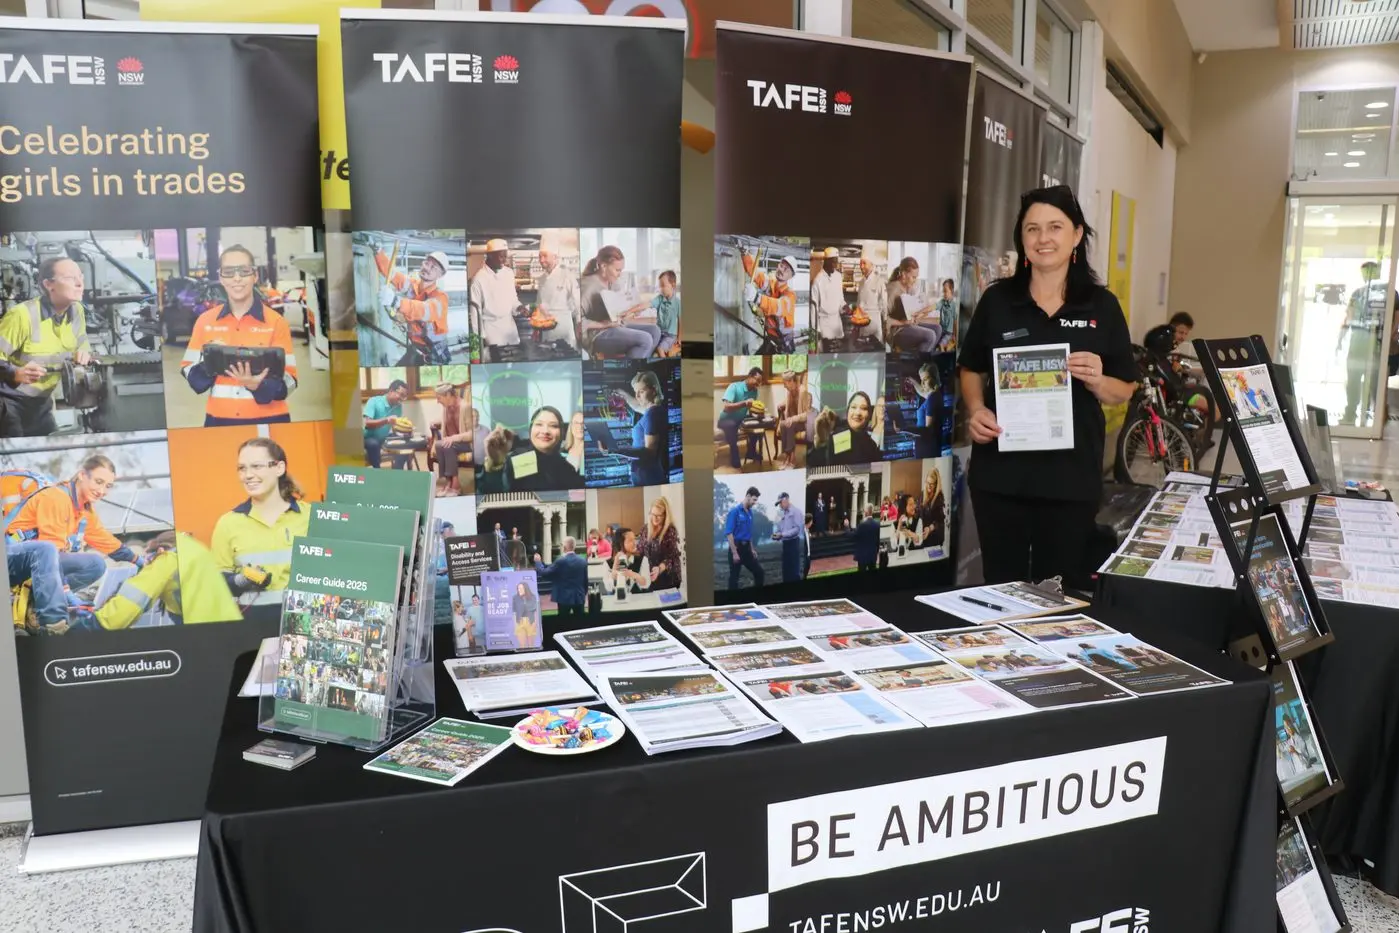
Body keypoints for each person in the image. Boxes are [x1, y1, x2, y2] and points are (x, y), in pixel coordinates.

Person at [959, 185, 1136, 588]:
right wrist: (976, 410)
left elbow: (1123, 389)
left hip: (1070, 481)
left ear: (1076, 235)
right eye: (1032, 229)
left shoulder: (1101, 306)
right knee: (1001, 590)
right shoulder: (998, 300)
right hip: (1001, 479)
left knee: (1061, 592)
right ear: (1021, 240)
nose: (1043, 239)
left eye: (1055, 227)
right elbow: (970, 368)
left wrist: (1096, 379)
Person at [6, 454, 136, 623]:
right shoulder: (56, 497)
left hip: (37, 562)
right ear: (82, 475)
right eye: (98, 482)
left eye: (108, 486)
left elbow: (103, 538)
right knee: (47, 550)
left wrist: (137, 560)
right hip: (11, 561)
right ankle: (53, 621)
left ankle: (35, 600)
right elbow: (51, 550)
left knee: (96, 564)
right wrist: (66, 592)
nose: (102, 491)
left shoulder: (83, 509)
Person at [183, 245, 299, 426]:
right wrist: (212, 361)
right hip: (219, 420)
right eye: (229, 272)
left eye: (244, 271)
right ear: (221, 278)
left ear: (255, 276)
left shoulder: (277, 323)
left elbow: (290, 380)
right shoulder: (205, 322)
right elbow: (189, 370)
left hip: (271, 420)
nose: (237, 278)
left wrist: (258, 385)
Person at [210, 437, 311, 623]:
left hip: (306, 624)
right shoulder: (228, 524)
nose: (247, 475)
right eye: (242, 468)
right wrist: (240, 580)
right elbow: (216, 582)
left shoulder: (311, 517)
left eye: (256, 466)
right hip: (252, 628)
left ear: (279, 468)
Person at [74, 530, 240, 632]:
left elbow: (128, 605)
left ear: (160, 549)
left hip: (203, 632)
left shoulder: (167, 558)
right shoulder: (198, 553)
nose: (148, 564)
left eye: (149, 558)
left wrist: (90, 626)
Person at [0, 256, 92, 436]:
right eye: (70, 278)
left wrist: (84, 351)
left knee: (49, 449)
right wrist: (14, 372)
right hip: (8, 403)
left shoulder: (77, 310)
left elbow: (82, 341)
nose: (80, 283)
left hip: (41, 404)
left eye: (80, 276)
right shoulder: (22, 315)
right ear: (49, 284)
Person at [478, 405, 583, 492]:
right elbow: (494, 496)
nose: (545, 431)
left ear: (561, 432)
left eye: (553, 426)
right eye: (539, 424)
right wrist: (496, 464)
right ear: (531, 429)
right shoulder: (521, 458)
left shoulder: (567, 469)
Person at [580, 245, 661, 359]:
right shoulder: (587, 286)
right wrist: (603, 324)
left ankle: (637, 362)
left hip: (615, 325)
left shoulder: (614, 282)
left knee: (655, 331)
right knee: (645, 339)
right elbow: (578, 323)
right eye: (617, 270)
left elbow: (617, 309)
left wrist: (630, 311)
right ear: (603, 266)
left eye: (621, 270)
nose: (620, 274)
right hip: (596, 334)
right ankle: (630, 370)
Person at [375, 245, 450, 365]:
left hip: (434, 355)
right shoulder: (413, 286)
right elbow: (392, 274)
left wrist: (396, 301)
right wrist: (378, 252)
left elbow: (424, 310)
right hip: (416, 348)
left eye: (434, 268)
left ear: (440, 275)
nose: (428, 269)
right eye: (427, 263)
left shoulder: (441, 298)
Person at [1338, 261, 1392, 426]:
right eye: (1365, 272)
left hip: (1376, 344)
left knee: (1376, 381)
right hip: (1358, 342)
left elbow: (1395, 317)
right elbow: (1349, 315)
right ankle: (1350, 414)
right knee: (1353, 379)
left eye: (1370, 271)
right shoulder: (1358, 293)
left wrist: (1390, 338)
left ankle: (1378, 417)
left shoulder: (1389, 293)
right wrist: (1340, 338)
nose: (1367, 275)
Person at [471, 238, 527, 361]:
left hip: (510, 329)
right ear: (490, 255)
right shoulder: (479, 279)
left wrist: (519, 307)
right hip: (492, 331)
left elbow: (513, 299)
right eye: (501, 257)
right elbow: (475, 315)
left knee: (516, 366)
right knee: (497, 366)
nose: (504, 260)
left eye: (505, 256)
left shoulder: (509, 273)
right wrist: (478, 344)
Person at [612, 370, 668, 486]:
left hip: (648, 476)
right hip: (645, 474)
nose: (637, 396)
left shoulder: (652, 414)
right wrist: (621, 393)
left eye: (641, 391)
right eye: (635, 392)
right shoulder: (653, 410)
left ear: (654, 390)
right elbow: (637, 406)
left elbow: (649, 452)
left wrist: (618, 451)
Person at [742, 252, 799, 352]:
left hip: (782, 344)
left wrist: (756, 298)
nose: (781, 270)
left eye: (786, 269)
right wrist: (744, 254)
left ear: (791, 276)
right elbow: (755, 273)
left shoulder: (790, 295)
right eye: (781, 265)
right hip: (771, 337)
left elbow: (777, 306)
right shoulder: (771, 284)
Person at [808, 392, 882, 466]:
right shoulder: (842, 435)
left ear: (869, 414)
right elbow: (817, 465)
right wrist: (821, 441)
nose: (858, 412)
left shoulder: (871, 444)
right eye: (853, 407)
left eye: (863, 408)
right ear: (848, 411)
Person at [886, 258, 941, 353]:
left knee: (938, 328)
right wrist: (902, 323)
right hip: (896, 331)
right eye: (913, 277)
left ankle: (920, 357)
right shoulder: (893, 289)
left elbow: (909, 311)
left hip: (908, 325)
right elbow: (883, 319)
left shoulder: (908, 288)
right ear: (903, 274)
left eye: (916, 277)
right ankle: (915, 364)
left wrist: (919, 313)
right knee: (930, 336)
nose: (915, 281)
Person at [535, 240, 580, 352]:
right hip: (545, 328)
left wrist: (579, 323)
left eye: (545, 256)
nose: (541, 260)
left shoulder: (567, 276)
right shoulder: (541, 279)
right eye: (539, 256)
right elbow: (539, 304)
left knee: (567, 358)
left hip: (563, 327)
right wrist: (536, 328)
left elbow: (578, 302)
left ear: (555, 257)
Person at [717, 366, 763, 470]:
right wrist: (744, 403)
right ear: (750, 376)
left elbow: (751, 408)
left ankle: (751, 452)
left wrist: (758, 414)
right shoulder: (734, 387)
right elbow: (727, 407)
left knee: (756, 424)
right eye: (757, 380)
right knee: (732, 425)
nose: (758, 384)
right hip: (726, 419)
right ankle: (734, 455)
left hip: (740, 419)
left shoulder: (754, 391)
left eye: (760, 382)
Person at [430, 382, 470, 496]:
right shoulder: (446, 407)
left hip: (466, 443)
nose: (437, 401)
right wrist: (434, 422)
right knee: (438, 444)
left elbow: (472, 433)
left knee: (448, 445)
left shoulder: (465, 407)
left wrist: (453, 438)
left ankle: (455, 484)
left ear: (448, 394)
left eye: (439, 398)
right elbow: (448, 421)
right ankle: (448, 482)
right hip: (452, 442)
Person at [535, 536, 588, 617]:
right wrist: (583, 593)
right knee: (580, 623)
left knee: (563, 624)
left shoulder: (561, 561)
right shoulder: (582, 561)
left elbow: (544, 573)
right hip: (579, 596)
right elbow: (586, 581)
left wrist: (538, 562)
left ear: (565, 547)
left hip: (564, 598)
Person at [724, 486, 764, 590]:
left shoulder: (750, 513)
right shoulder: (735, 512)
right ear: (748, 496)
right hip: (736, 548)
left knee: (759, 572)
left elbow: (748, 533)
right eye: (754, 500)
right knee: (734, 578)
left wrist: (752, 549)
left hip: (747, 550)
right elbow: (729, 533)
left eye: (756, 500)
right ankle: (732, 603)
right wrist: (734, 553)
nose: (755, 502)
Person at [639, 497, 683, 591]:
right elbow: (641, 550)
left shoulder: (670, 531)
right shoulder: (645, 529)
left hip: (667, 577)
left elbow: (672, 558)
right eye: (653, 514)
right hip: (650, 576)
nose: (655, 518)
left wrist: (659, 568)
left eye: (659, 515)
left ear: (665, 515)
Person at [363, 379, 409, 469]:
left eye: (404, 396)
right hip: (367, 438)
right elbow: (368, 423)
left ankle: (397, 470)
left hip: (384, 438)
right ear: (391, 391)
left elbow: (395, 426)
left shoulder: (398, 406)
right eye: (401, 395)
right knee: (374, 444)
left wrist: (405, 431)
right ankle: (378, 472)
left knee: (405, 443)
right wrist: (386, 420)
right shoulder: (374, 401)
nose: (402, 399)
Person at [811, 247, 846, 352]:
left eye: (836, 262)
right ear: (826, 261)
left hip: (837, 324)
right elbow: (814, 309)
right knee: (827, 356)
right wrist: (816, 331)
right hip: (824, 325)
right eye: (833, 262)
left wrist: (844, 306)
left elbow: (841, 298)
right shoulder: (818, 280)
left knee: (838, 356)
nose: (835, 265)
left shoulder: (838, 277)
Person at [775, 370, 810, 469]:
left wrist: (793, 419)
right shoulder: (790, 392)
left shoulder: (803, 391)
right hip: (794, 421)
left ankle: (792, 458)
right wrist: (781, 404)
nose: (784, 386)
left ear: (791, 381)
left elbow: (808, 414)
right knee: (782, 424)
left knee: (790, 424)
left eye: (784, 383)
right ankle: (787, 456)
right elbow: (788, 403)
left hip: (803, 422)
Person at [912, 362, 944, 458]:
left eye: (925, 379)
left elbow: (927, 431)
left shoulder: (932, 399)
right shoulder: (935, 395)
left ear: (934, 378)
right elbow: (922, 391)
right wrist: (913, 381)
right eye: (921, 380)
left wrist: (906, 429)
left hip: (927, 448)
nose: (922, 383)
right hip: (929, 446)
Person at [771, 492, 804, 583]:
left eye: (780, 503)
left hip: (793, 544)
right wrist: (776, 535)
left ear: (786, 500)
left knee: (793, 572)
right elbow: (781, 529)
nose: (780, 506)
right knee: (786, 572)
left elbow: (797, 529)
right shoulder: (783, 514)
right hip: (785, 545)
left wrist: (782, 535)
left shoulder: (796, 512)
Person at [855, 257, 887, 346]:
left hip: (874, 321)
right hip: (862, 322)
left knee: (875, 349)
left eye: (864, 263)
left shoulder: (879, 281)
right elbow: (859, 302)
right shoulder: (861, 282)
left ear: (872, 265)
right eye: (860, 263)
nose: (861, 266)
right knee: (863, 349)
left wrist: (885, 322)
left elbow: (884, 302)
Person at [609, 527, 651, 594]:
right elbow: (610, 587)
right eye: (630, 540)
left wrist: (633, 574)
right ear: (621, 543)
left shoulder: (642, 560)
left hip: (638, 601)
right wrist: (615, 564)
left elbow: (646, 584)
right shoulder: (608, 563)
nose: (635, 543)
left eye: (635, 539)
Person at [652, 271, 681, 356]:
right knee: (652, 347)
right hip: (660, 333)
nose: (661, 289)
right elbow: (648, 304)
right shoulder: (660, 299)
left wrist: (679, 338)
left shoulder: (678, 303)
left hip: (670, 335)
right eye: (660, 286)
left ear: (673, 285)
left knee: (660, 349)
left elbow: (680, 321)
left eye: (663, 286)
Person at [919, 467, 948, 550]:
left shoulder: (939, 497)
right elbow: (919, 512)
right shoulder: (922, 494)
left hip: (935, 538)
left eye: (931, 484)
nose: (929, 486)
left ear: (936, 484)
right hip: (924, 536)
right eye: (927, 482)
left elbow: (940, 521)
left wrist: (929, 528)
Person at [851, 504, 880, 573]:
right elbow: (878, 542)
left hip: (862, 556)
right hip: (872, 555)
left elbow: (854, 536)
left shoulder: (862, 525)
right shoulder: (877, 525)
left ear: (866, 512)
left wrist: (846, 528)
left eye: (864, 510)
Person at [511, 580, 539, 648]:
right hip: (520, 622)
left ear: (525, 589)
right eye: (518, 588)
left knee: (531, 645)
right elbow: (514, 612)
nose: (519, 590)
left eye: (521, 588)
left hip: (530, 621)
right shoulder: (515, 597)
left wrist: (535, 623)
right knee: (522, 645)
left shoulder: (532, 597)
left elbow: (534, 611)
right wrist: (516, 623)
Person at [561, 410, 587, 476]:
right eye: (576, 423)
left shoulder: (591, 450)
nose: (580, 426)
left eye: (583, 423)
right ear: (571, 426)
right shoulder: (562, 450)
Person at [935, 278, 958, 349]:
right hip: (942, 331)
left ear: (952, 291)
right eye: (943, 291)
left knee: (941, 344)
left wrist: (955, 335)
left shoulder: (954, 305)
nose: (944, 294)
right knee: (935, 343)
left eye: (945, 291)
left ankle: (942, 356)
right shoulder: (942, 302)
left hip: (949, 333)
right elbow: (933, 307)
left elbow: (955, 321)